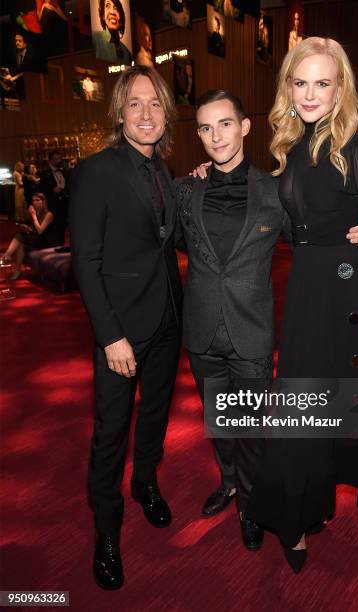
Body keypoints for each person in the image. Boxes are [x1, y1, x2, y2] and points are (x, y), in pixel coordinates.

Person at [246, 37, 358, 573]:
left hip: (348, 294)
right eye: (301, 83)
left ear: (340, 88)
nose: (311, 93)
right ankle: (301, 514)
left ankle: (297, 518)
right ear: (287, 88)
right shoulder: (291, 148)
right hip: (304, 295)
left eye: (323, 83)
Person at [174, 89, 358, 551]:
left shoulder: (274, 190)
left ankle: (249, 501)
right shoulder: (187, 188)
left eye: (225, 124)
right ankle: (228, 483)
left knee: (250, 428)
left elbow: (311, 242)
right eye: (205, 127)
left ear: (244, 127)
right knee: (220, 421)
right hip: (201, 331)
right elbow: (175, 245)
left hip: (251, 332)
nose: (215, 136)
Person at [69, 65, 182, 590]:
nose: (145, 114)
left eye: (154, 103)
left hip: (166, 320)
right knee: (111, 432)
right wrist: (110, 336)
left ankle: (146, 484)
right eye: (134, 103)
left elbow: (174, 237)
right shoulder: (97, 171)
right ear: (119, 112)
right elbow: (84, 263)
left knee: (155, 416)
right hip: (120, 330)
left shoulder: (166, 171)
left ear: (166, 113)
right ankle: (107, 530)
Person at [0, 192, 58, 279]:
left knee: (19, 236)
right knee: (21, 244)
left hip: (48, 241)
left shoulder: (49, 214)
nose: (34, 202)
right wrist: (28, 228)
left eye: (37, 200)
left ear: (43, 202)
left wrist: (34, 216)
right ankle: (17, 271)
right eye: (33, 200)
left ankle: (7, 256)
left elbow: (40, 231)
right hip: (39, 238)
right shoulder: (37, 213)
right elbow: (35, 230)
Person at [40, 150, 69, 245]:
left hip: (65, 203)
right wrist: (52, 190)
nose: (59, 160)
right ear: (50, 160)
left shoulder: (63, 171)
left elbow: (68, 185)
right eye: (56, 159)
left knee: (64, 227)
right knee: (55, 228)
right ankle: (55, 248)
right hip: (53, 204)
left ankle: (62, 246)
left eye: (60, 158)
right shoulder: (45, 173)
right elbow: (42, 190)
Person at [92, 0, 132, 64]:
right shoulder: (95, 39)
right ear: (103, 15)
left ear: (121, 17)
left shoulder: (127, 52)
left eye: (116, 8)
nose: (112, 12)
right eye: (107, 6)